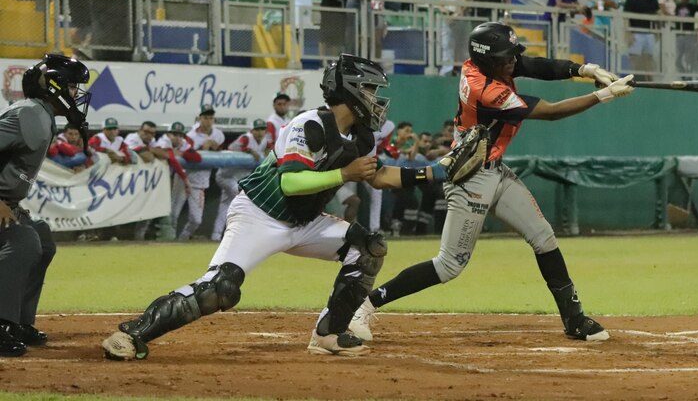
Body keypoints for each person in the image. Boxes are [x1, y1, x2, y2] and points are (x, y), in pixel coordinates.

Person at [101, 54, 453, 360]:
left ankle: (329, 334)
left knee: (368, 248)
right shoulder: (309, 124)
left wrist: (438, 171)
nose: (376, 99)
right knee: (219, 289)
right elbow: (291, 182)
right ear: (351, 91)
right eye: (371, 90)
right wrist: (344, 173)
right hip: (259, 214)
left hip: (304, 221)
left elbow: (379, 176)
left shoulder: (360, 137)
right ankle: (132, 334)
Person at [348, 23, 631, 343]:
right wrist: (603, 95)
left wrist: (585, 69)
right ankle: (364, 306)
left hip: (494, 169)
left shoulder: (488, 65)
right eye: (505, 57)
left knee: (544, 237)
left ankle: (574, 319)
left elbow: (536, 65)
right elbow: (551, 112)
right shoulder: (486, 91)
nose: (513, 62)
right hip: (469, 177)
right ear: (488, 60)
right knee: (449, 265)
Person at [0, 54, 90, 357]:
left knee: (41, 237)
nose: (76, 94)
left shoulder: (39, 114)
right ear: (55, 86)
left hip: (9, 202)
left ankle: (16, 321)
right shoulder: (28, 114)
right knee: (23, 240)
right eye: (73, 86)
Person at [134, 122, 196, 241]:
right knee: (147, 212)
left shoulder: (158, 142)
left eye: (180, 135)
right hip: (146, 181)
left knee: (161, 212)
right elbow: (172, 159)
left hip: (158, 182)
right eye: (174, 134)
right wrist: (185, 179)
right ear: (168, 134)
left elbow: (196, 157)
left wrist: (181, 153)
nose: (177, 137)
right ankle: (139, 238)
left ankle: (165, 239)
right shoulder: (163, 142)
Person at [212, 119, 268, 242]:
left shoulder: (264, 141)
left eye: (262, 129)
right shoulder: (246, 138)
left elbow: (271, 149)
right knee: (244, 199)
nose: (260, 132)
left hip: (237, 177)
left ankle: (215, 235)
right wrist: (250, 150)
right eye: (257, 129)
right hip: (226, 175)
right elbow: (233, 147)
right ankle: (243, 234)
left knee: (225, 206)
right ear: (252, 130)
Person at [174, 106, 225, 241]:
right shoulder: (191, 135)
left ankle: (183, 239)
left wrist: (216, 148)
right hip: (184, 177)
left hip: (200, 180)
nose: (208, 121)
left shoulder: (218, 135)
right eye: (205, 117)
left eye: (211, 118)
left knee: (196, 220)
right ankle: (167, 240)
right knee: (174, 213)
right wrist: (202, 148)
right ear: (199, 118)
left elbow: (220, 153)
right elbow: (187, 155)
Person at [623, 0, 661, 79]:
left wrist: (657, 33)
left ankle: (649, 82)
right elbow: (626, 18)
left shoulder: (653, 1)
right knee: (635, 60)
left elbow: (659, 16)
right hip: (635, 33)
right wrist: (628, 33)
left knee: (649, 59)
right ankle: (633, 80)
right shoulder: (631, 0)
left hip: (649, 34)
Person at [439, 0, 469, 75]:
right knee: (446, 44)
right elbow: (440, 4)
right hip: (446, 19)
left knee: (460, 46)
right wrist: (446, 13)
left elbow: (462, 7)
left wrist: (454, 16)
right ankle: (447, 68)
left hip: (459, 21)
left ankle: (460, 69)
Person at [674, 0, 698, 73]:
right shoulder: (677, 6)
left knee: (689, 56)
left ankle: (689, 73)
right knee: (678, 56)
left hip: (690, 34)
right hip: (679, 34)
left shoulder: (693, 7)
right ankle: (682, 73)